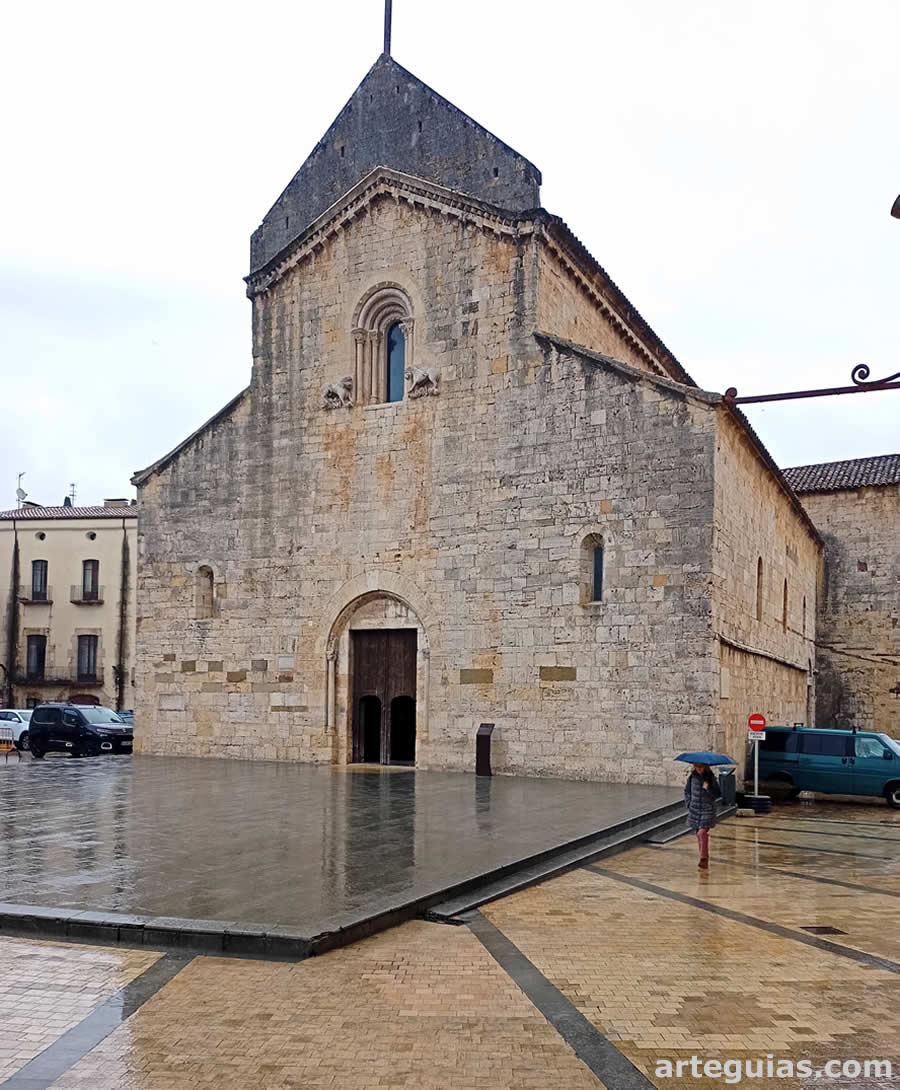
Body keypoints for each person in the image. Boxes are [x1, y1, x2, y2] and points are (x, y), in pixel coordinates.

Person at [684, 763, 721, 868]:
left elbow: (718, 794)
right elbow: (687, 791)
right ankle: (703, 858)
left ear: (705, 767)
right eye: (696, 767)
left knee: (702, 833)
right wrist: (688, 803)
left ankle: (703, 857)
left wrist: (708, 788)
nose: (698, 769)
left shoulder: (710, 778)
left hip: (707, 809)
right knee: (698, 834)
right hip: (694, 809)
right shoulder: (692, 777)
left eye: (700, 767)